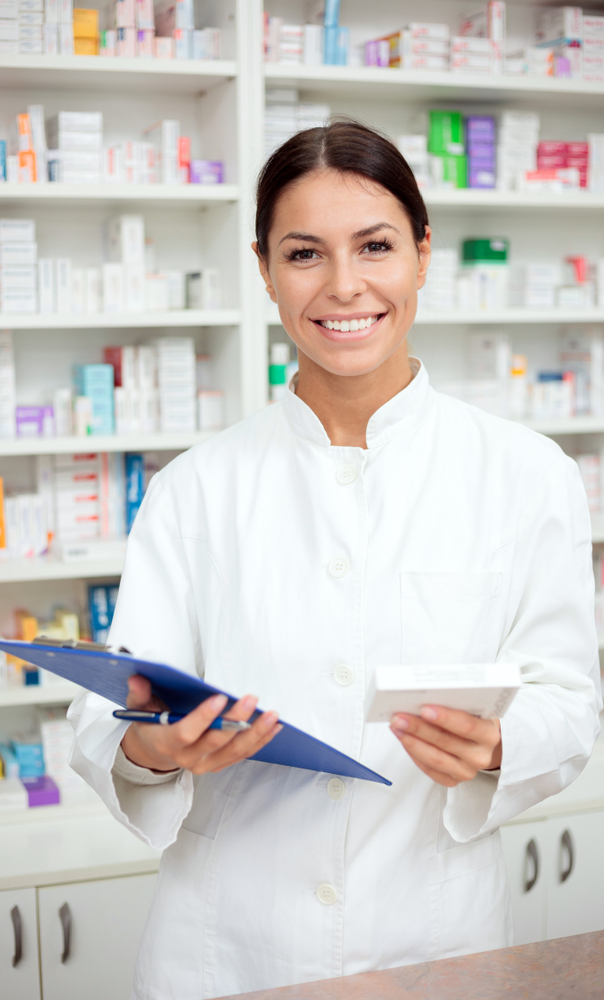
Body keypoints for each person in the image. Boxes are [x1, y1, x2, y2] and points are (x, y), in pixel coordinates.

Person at [69, 120, 602, 1000]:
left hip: (434, 937)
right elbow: (108, 717)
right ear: (266, 268)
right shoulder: (194, 489)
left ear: (423, 255)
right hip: (227, 951)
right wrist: (156, 749)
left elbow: (570, 702)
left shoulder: (525, 474)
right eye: (305, 253)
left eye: (377, 246)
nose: (344, 285)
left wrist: (502, 743)